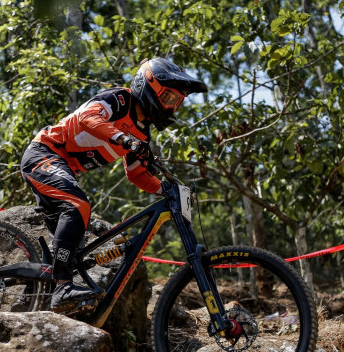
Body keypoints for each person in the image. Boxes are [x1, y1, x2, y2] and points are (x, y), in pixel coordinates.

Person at [19, 57, 207, 312]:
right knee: (77, 205)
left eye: (177, 102)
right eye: (168, 98)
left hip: (64, 168)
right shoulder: (119, 100)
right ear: (150, 86)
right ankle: (63, 287)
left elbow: (136, 174)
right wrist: (123, 138)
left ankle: (33, 295)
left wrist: (164, 188)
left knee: (74, 248)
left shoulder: (142, 133)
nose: (171, 108)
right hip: (44, 153)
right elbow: (87, 117)